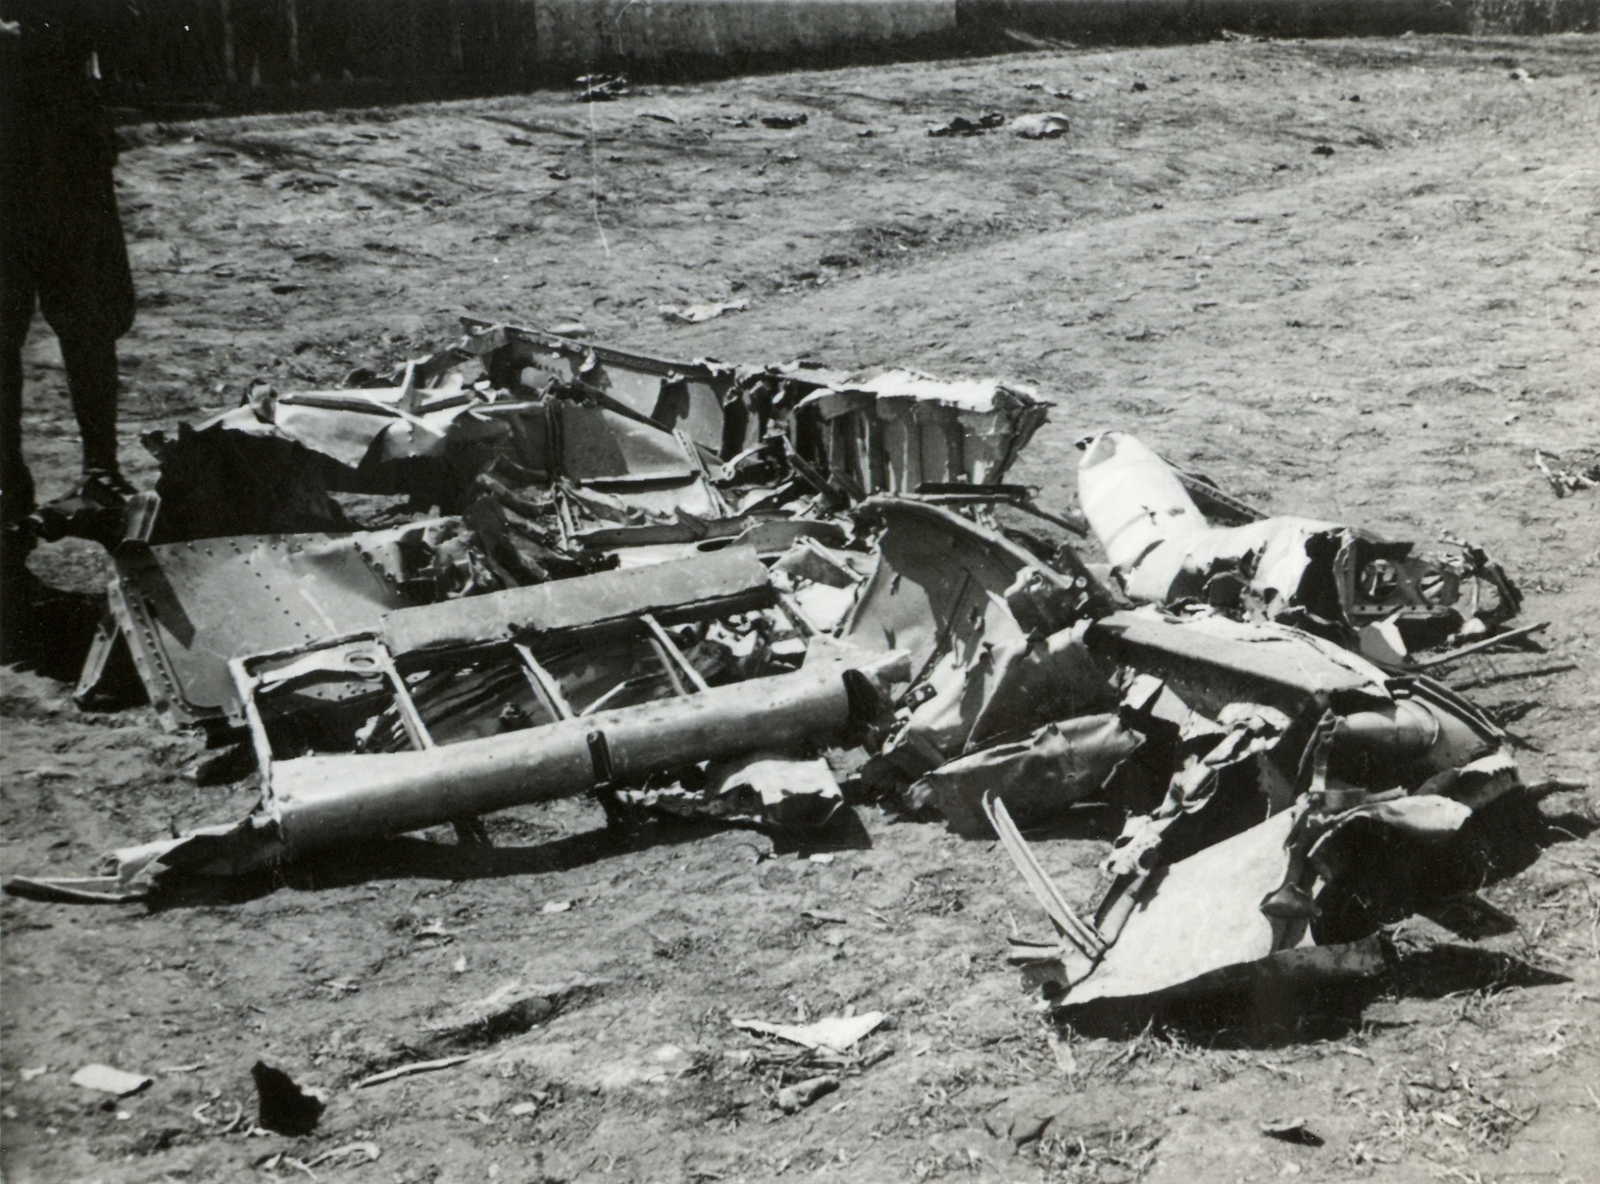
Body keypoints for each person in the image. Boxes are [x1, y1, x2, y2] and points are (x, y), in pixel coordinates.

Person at [1, 0, 138, 552]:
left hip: (70, 159)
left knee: (91, 319)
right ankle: (7, 486)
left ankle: (100, 471)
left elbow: (124, 23)